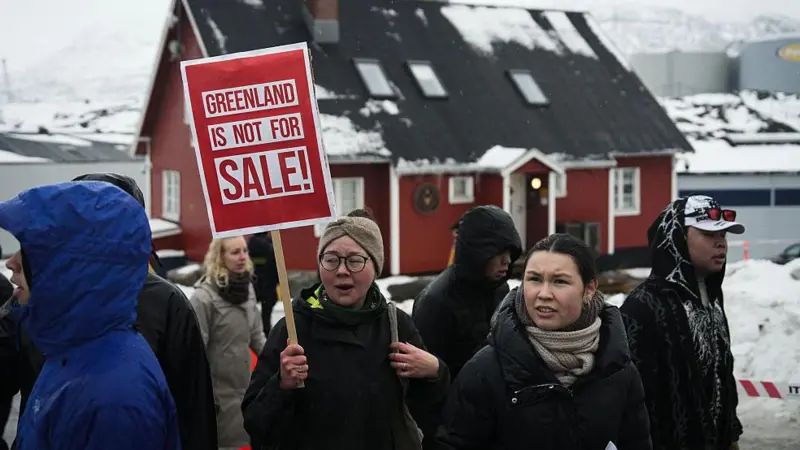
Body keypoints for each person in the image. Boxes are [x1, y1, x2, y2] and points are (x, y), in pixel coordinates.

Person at [242, 216, 450, 450]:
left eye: (354, 261)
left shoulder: (396, 325)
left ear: (375, 267)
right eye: (331, 260)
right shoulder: (292, 329)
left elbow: (433, 414)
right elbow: (255, 421)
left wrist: (435, 372)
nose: (341, 271)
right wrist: (281, 385)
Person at [0, 181, 180, 449]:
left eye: (30, 250)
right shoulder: (71, 349)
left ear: (73, 268)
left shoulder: (113, 399)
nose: (10, 262)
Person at [436, 233, 652, 450]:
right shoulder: (486, 370)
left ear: (589, 289)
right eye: (534, 279)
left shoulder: (617, 367)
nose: (544, 293)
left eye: (559, 281)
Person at [620, 195, 744, 450]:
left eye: (723, 235)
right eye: (709, 235)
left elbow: (723, 376)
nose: (720, 243)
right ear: (677, 237)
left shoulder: (712, 301)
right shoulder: (643, 306)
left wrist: (731, 434)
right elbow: (630, 398)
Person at [413, 205, 522, 381]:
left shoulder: (499, 289)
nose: (507, 260)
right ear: (478, 253)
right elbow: (423, 376)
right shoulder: (435, 302)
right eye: (499, 252)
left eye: (510, 252)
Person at [190, 236, 267, 450]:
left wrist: (279, 359)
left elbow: (257, 337)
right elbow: (196, 352)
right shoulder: (203, 297)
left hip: (245, 387)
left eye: (244, 251)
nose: (243, 257)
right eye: (235, 252)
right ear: (220, 257)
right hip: (217, 395)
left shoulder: (248, 290)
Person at [248, 232, 280, 336]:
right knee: (266, 311)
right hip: (268, 281)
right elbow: (275, 263)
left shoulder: (250, 243)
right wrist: (278, 280)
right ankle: (266, 331)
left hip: (255, 281)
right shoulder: (269, 244)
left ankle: (254, 330)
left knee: (250, 307)